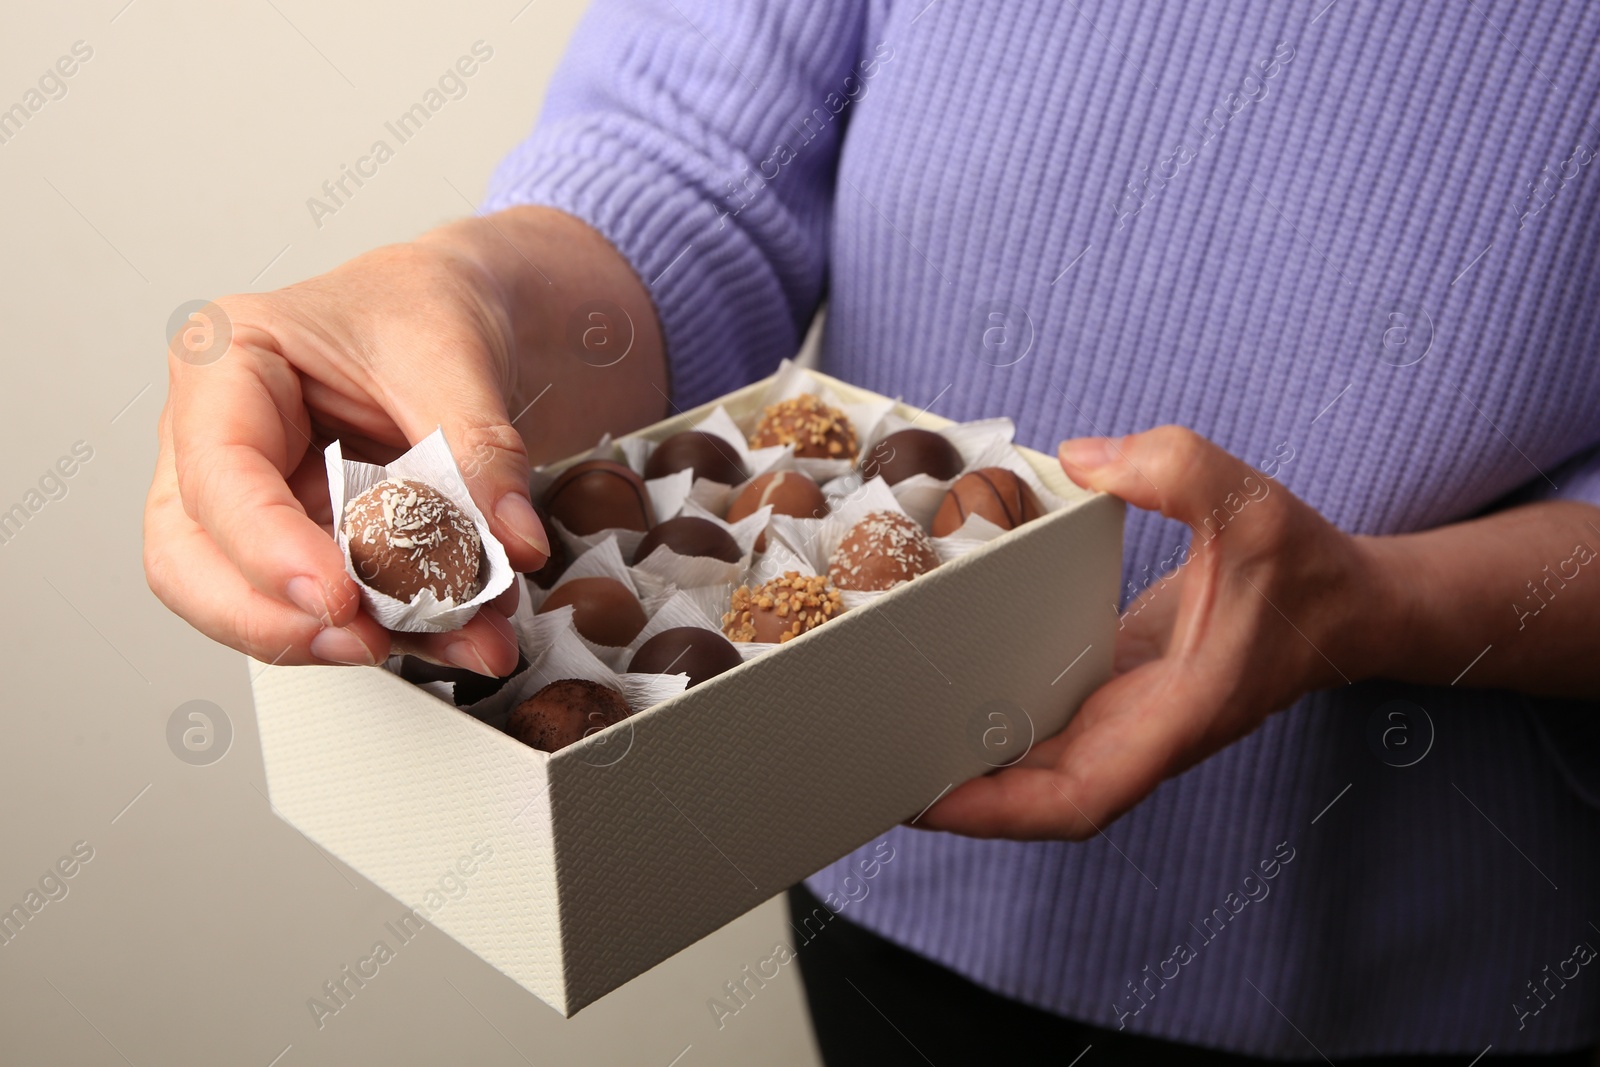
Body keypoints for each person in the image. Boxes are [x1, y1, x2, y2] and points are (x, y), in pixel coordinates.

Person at [145, 1, 1600, 1061]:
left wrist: (1391, 605)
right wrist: (458, 291)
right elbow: (695, 159)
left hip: (1423, 966)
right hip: (872, 820)